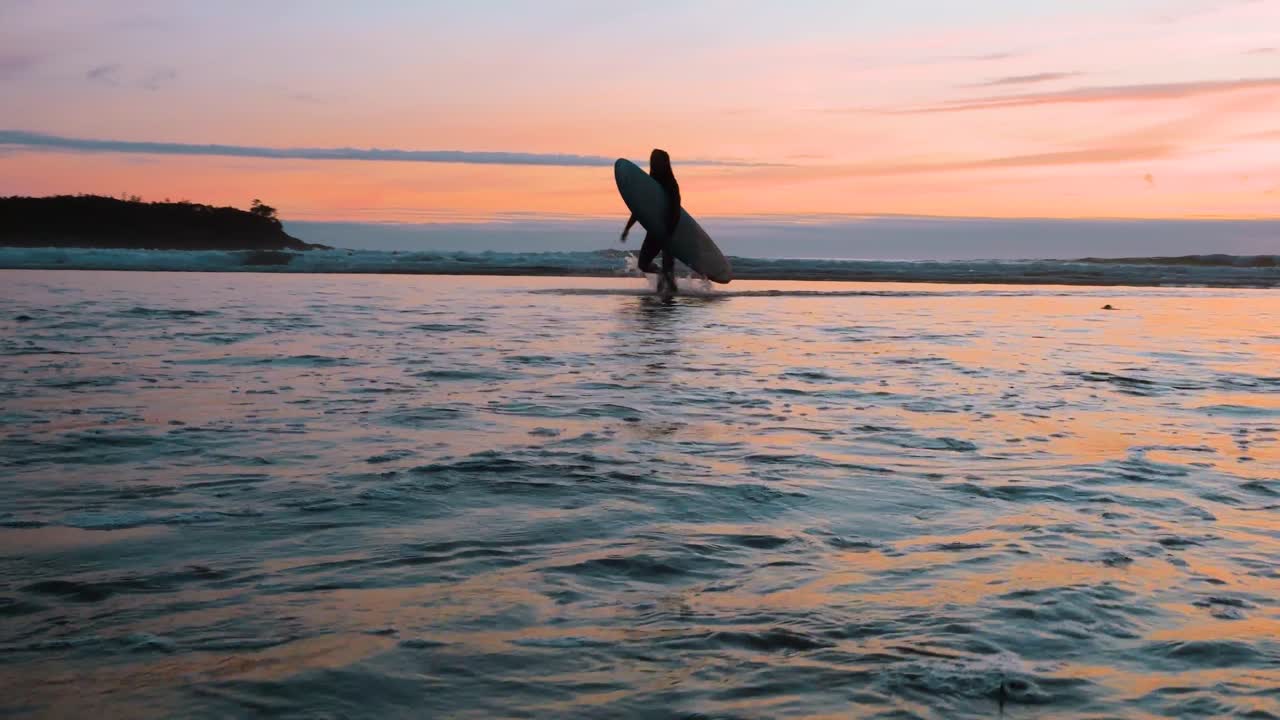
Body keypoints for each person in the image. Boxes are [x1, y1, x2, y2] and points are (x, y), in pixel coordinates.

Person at [621, 148, 681, 293]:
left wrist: (669, 233)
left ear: (665, 163)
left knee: (668, 269)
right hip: (655, 230)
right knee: (643, 264)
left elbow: (675, 209)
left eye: (657, 161)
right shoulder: (649, 184)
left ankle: (671, 301)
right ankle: (661, 276)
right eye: (653, 160)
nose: (654, 163)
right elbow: (639, 208)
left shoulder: (671, 184)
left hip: (669, 229)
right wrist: (627, 228)